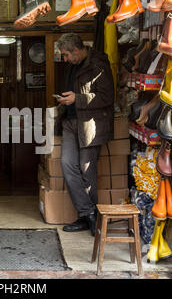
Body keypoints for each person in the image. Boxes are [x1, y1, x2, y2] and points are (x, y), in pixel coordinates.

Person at [54, 33, 114, 236]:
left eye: (66, 55)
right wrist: (65, 100)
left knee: (86, 170)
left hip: (89, 125)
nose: (64, 59)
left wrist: (77, 99)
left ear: (77, 51)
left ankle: (89, 217)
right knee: (67, 165)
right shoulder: (72, 65)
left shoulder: (98, 64)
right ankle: (87, 214)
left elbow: (106, 97)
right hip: (70, 122)